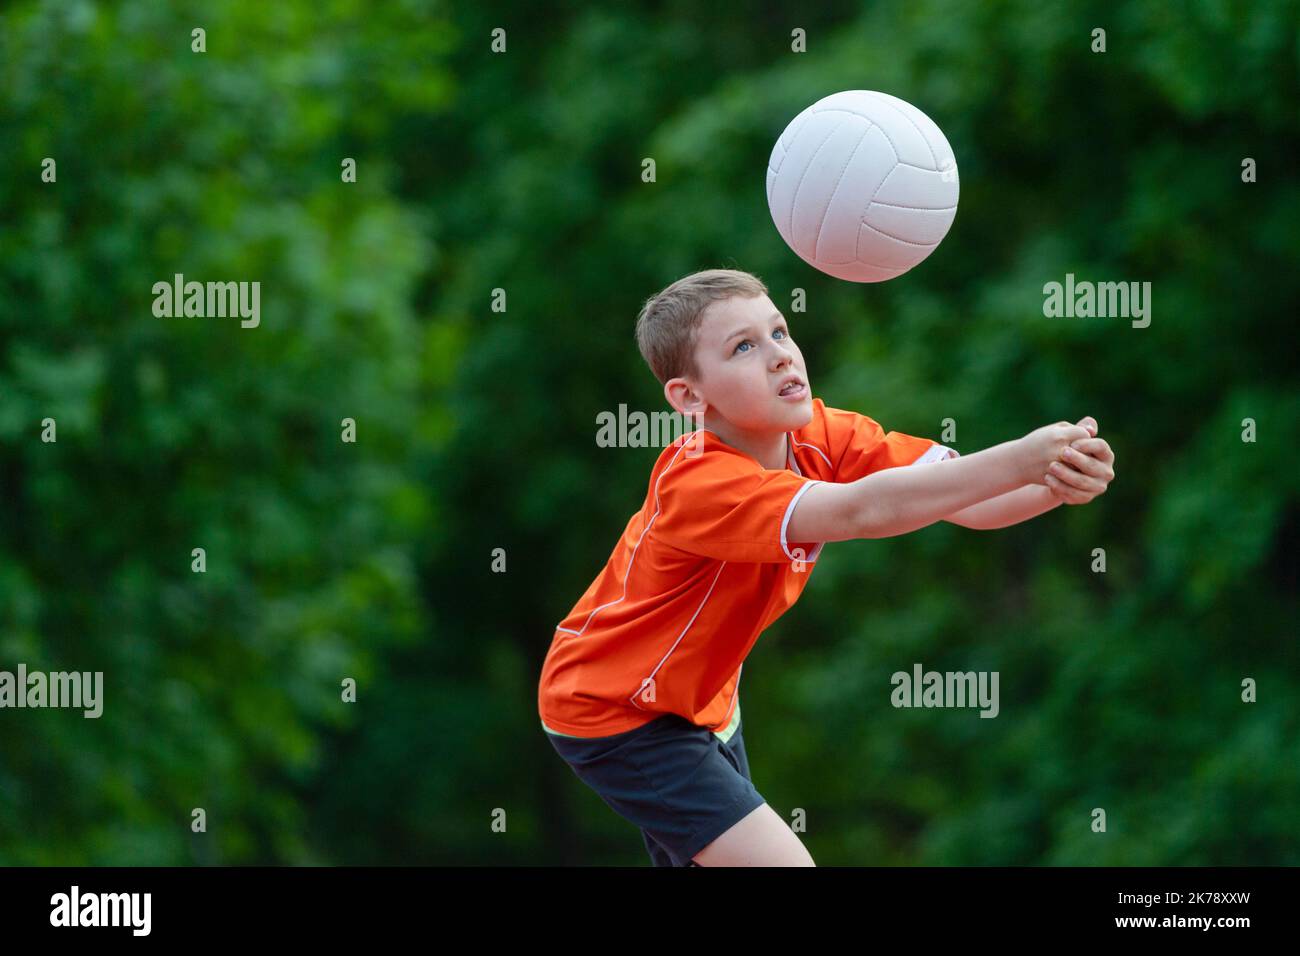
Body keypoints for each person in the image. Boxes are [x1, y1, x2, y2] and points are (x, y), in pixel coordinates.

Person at [537, 268, 1116, 866]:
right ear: (689, 397)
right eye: (743, 347)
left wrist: (1057, 479)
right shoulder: (697, 483)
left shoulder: (822, 434)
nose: (779, 356)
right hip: (614, 709)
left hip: (705, 705)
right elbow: (865, 509)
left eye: (780, 332)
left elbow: (967, 498)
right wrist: (1022, 457)